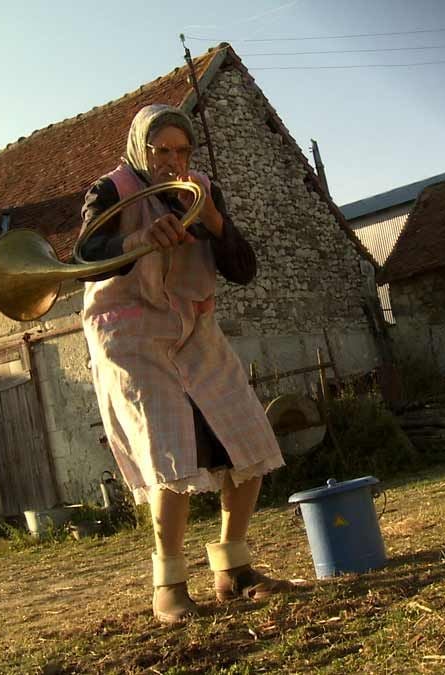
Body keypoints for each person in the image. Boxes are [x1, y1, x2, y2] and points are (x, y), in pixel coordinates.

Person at [79, 104, 294, 625]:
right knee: (168, 455)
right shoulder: (109, 190)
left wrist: (215, 222)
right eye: (161, 151)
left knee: (247, 438)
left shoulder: (201, 189)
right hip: (130, 331)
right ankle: (169, 585)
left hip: (193, 328)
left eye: (182, 150)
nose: (173, 161)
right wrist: (136, 239)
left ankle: (233, 568)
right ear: (140, 149)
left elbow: (243, 268)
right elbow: (86, 253)